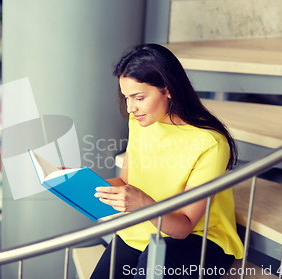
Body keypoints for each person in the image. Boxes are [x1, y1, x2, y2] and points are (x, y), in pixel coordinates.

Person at [91, 44, 244, 279]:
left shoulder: (210, 143)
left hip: (200, 238)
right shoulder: (141, 121)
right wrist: (81, 183)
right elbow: (124, 180)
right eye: (127, 97)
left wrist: (142, 204)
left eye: (139, 97)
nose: (131, 108)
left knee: (152, 263)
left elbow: (183, 227)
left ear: (168, 89)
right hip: (143, 224)